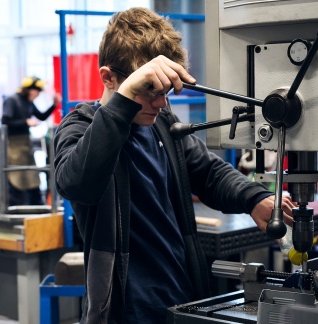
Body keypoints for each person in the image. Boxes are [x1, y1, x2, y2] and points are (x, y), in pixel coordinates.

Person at [53, 8, 295, 323]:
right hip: (124, 311)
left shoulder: (161, 124)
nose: (161, 103)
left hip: (179, 300)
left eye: (165, 91)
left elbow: (208, 172)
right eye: (147, 91)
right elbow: (77, 183)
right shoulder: (80, 127)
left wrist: (254, 198)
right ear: (108, 77)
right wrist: (124, 100)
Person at [1, 76, 61, 206]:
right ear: (29, 90)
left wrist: (54, 105)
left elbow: (41, 116)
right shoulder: (12, 100)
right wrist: (25, 122)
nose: (38, 94)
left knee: (32, 178)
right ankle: (18, 206)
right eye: (36, 91)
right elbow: (5, 122)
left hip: (26, 145)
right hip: (13, 146)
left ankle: (36, 205)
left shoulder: (28, 102)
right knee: (17, 178)